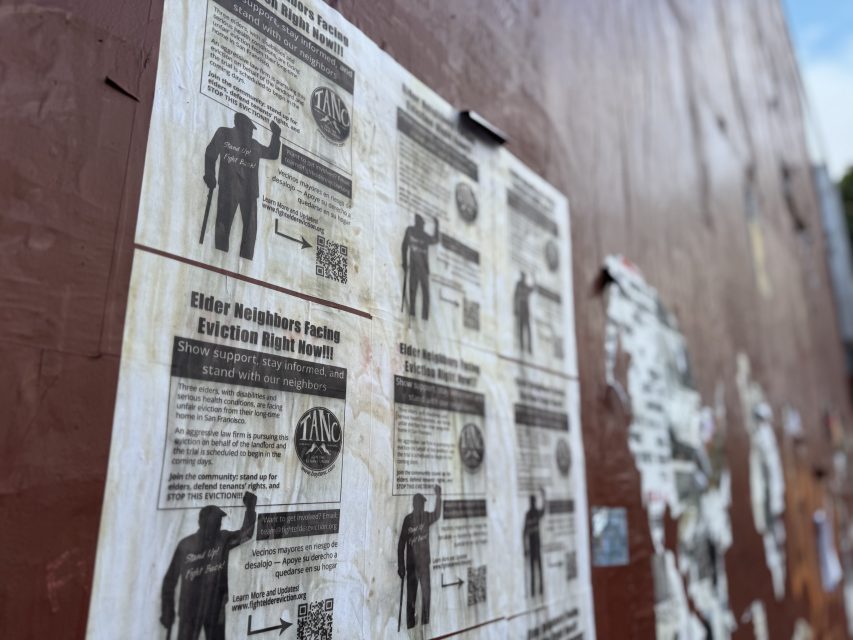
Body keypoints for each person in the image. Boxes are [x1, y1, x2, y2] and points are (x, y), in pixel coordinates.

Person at [161, 491, 257, 640]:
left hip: (215, 608)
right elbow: (169, 581)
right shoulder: (186, 545)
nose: (218, 524)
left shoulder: (223, 539)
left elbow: (246, 534)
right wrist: (167, 611)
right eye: (215, 521)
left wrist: (250, 508)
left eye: (219, 521)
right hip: (190, 611)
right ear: (203, 522)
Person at [203, 113, 280, 260]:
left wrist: (276, 134)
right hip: (228, 189)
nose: (251, 132)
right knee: (223, 226)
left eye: (251, 130)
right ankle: (218, 258)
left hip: (250, 193)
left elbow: (272, 153)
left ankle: (246, 259)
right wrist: (210, 175)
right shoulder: (224, 133)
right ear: (239, 125)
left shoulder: (254, 146)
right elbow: (211, 153)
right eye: (249, 129)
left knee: (250, 231)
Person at [397, 485, 442, 629]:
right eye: (420, 503)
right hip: (411, 566)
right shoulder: (408, 520)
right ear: (415, 504)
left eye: (423, 504)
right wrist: (401, 566)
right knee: (411, 597)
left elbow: (437, 514)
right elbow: (401, 544)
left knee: (426, 594)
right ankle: (410, 623)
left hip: (424, 565)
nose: (422, 506)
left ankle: (425, 622)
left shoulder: (426, 517)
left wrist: (439, 497)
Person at [401, 214, 440, 320]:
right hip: (414, 267)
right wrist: (404, 262)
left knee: (425, 292)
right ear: (419, 223)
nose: (422, 225)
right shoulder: (410, 230)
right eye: (422, 223)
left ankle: (424, 317)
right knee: (413, 290)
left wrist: (437, 225)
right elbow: (404, 246)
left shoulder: (424, 235)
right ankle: (412, 313)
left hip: (424, 269)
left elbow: (435, 239)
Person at [523, 488, 546, 597]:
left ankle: (541, 589)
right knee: (533, 570)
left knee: (539, 569)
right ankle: (533, 592)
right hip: (532, 547)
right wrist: (525, 548)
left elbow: (544, 510)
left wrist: (544, 496)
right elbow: (524, 532)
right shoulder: (528, 515)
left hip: (537, 546)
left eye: (534, 501)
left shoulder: (537, 513)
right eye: (532, 501)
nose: (533, 503)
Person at [514, 272, 535, 353]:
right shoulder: (518, 285)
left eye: (524, 277)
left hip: (526, 309)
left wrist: (534, 278)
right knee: (521, 328)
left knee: (527, 328)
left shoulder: (526, 286)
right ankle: (521, 346)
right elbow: (515, 297)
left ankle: (529, 347)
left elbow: (533, 289)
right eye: (522, 276)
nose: (523, 278)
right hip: (521, 308)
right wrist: (516, 309)